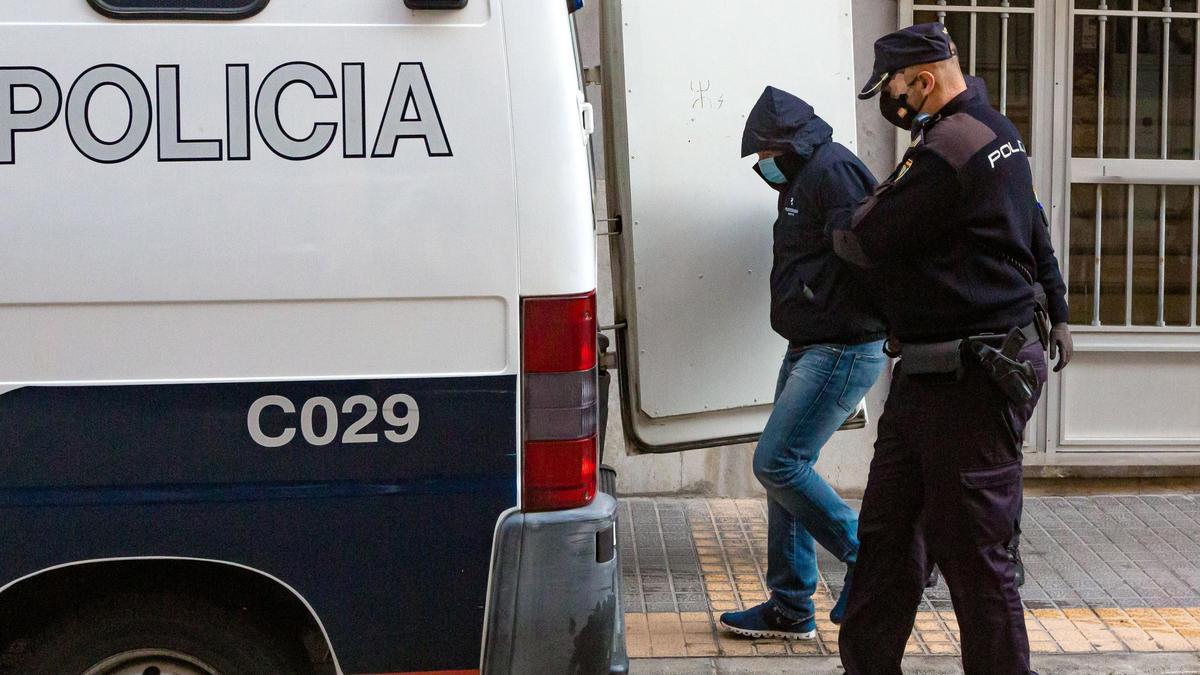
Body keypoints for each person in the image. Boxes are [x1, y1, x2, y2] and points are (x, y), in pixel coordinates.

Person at [832, 24, 1047, 674]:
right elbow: (1034, 232)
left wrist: (853, 219)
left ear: (922, 81)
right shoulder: (992, 132)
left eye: (892, 89)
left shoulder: (950, 149)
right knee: (888, 541)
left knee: (975, 558)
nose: (889, 103)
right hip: (931, 375)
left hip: (969, 379)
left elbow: (864, 237)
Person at [882, 69, 1075, 588]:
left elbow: (1036, 232)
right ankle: (937, 561)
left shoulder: (974, 146)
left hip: (1000, 349)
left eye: (895, 88)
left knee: (988, 481)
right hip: (985, 346)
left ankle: (992, 558)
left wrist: (1058, 312)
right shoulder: (968, 140)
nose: (893, 102)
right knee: (956, 480)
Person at [717, 87, 887, 640]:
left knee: (776, 462)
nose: (760, 167)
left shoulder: (833, 171)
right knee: (787, 473)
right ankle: (791, 607)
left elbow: (868, 251)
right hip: (811, 344)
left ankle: (866, 558)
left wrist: (849, 309)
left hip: (839, 348)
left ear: (785, 143)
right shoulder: (802, 178)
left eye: (763, 154)